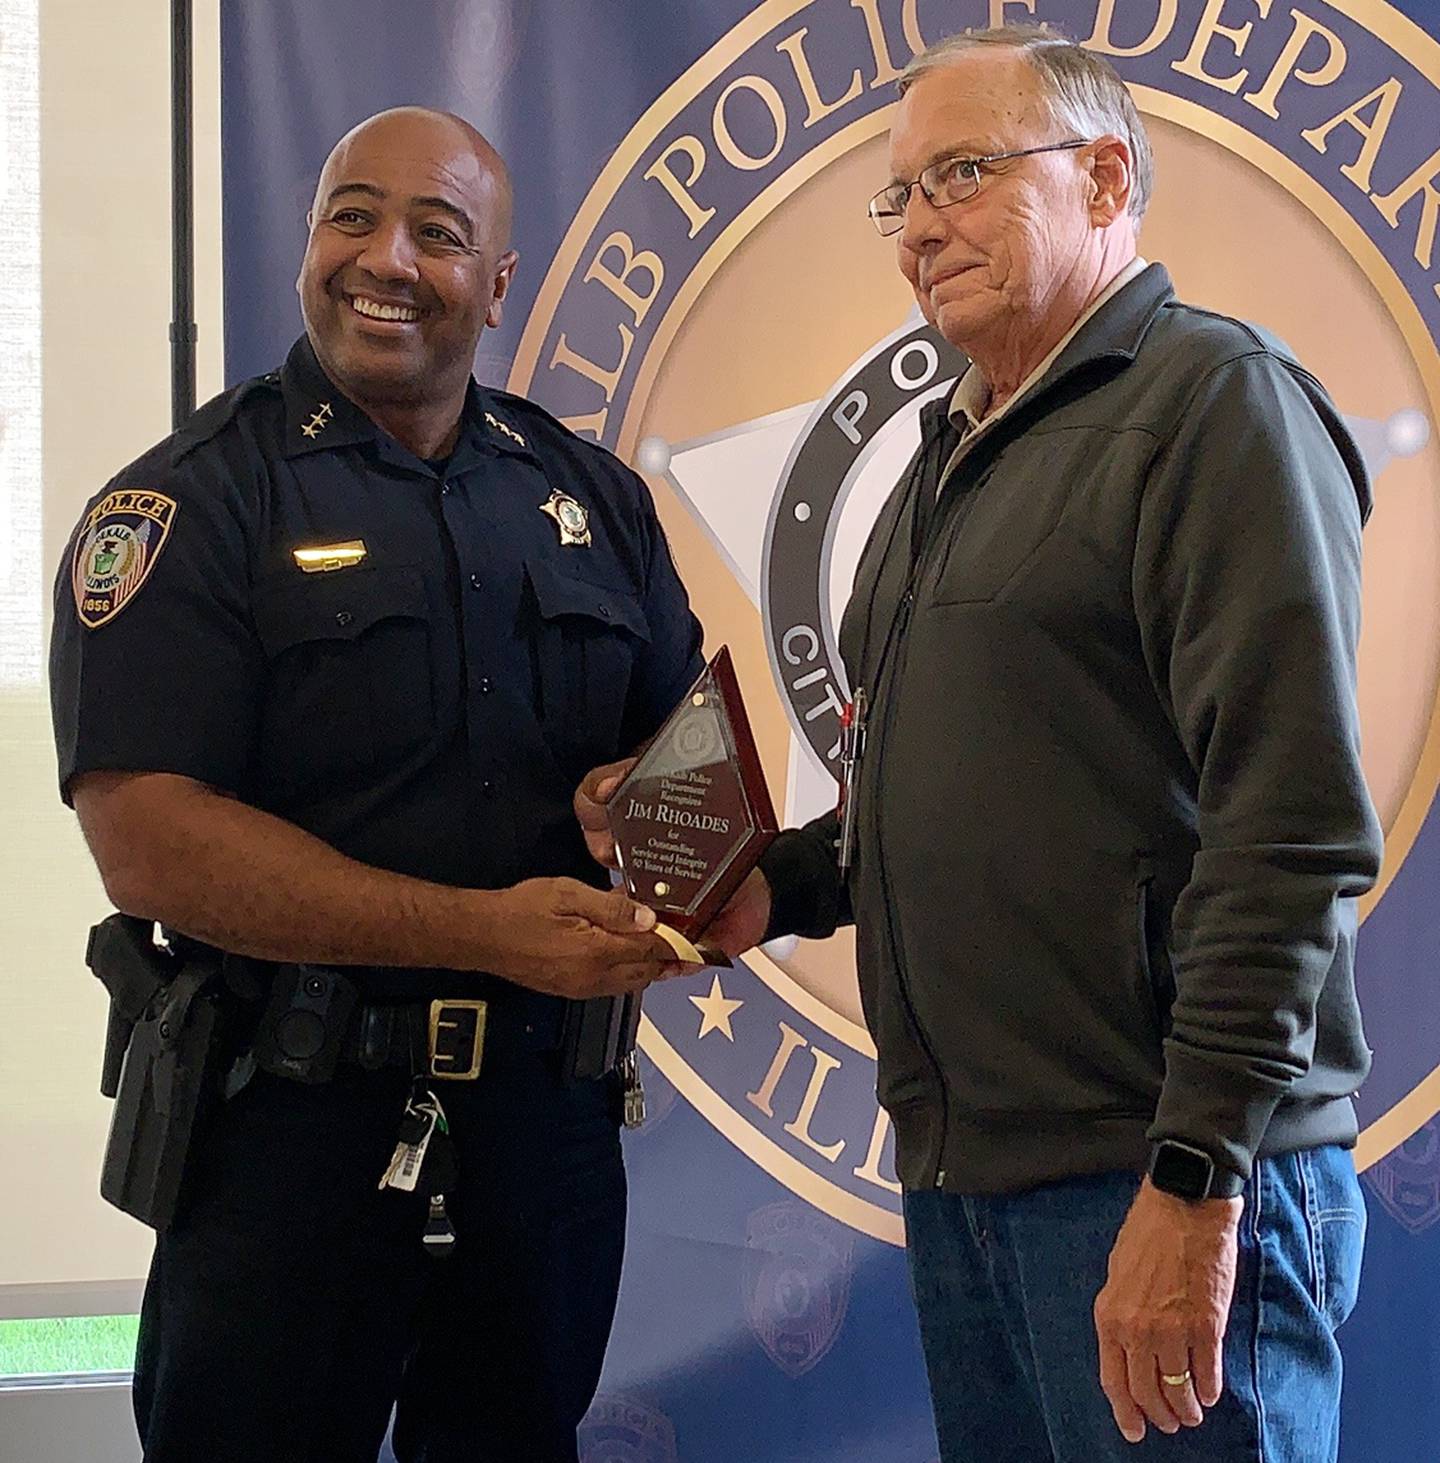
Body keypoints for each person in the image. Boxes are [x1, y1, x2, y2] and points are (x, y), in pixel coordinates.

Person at [581, 24, 1382, 1463]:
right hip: (970, 1186)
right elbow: (907, 797)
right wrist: (768, 884)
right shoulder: (949, 453)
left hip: (1159, 1181)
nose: (919, 228)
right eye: (899, 195)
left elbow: (1293, 828)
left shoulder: (1216, 407)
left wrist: (1195, 1184)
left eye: (961, 172)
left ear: (1105, 175)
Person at [51, 107, 703, 1463]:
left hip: (542, 1141)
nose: (385, 259)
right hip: (284, 1140)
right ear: (310, 242)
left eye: (436, 232)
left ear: (500, 283)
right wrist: (478, 933)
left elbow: (689, 747)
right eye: (352, 215)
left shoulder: (591, 498)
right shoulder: (186, 506)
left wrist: (639, 798)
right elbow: (150, 847)